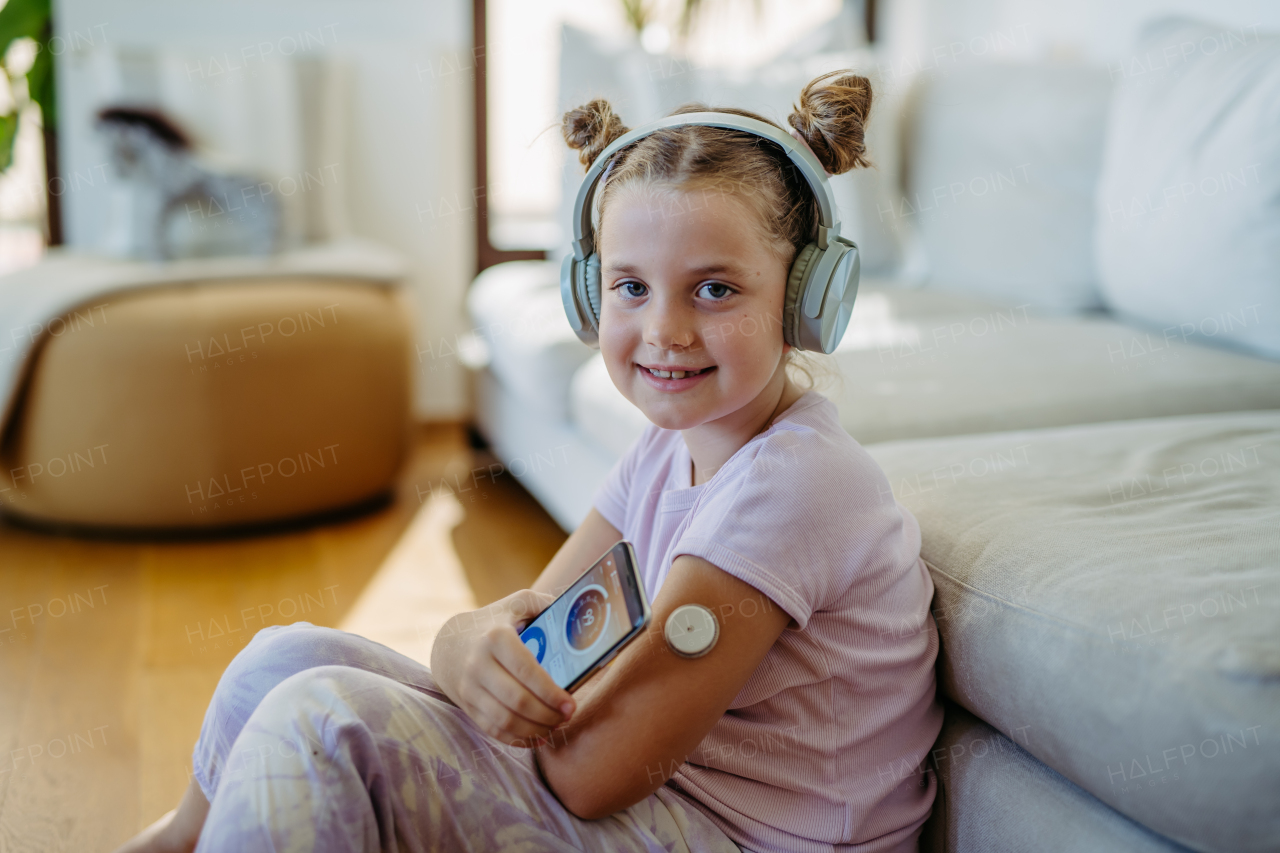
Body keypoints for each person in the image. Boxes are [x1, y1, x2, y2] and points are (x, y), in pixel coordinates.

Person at [113, 69, 943, 853]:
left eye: (715, 289)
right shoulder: (664, 451)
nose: (663, 330)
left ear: (806, 298)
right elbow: (542, 629)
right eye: (630, 286)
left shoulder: (792, 488)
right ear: (589, 292)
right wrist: (464, 645)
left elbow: (591, 774)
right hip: (659, 796)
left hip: (738, 832)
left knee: (323, 721)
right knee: (281, 660)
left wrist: (484, 698)